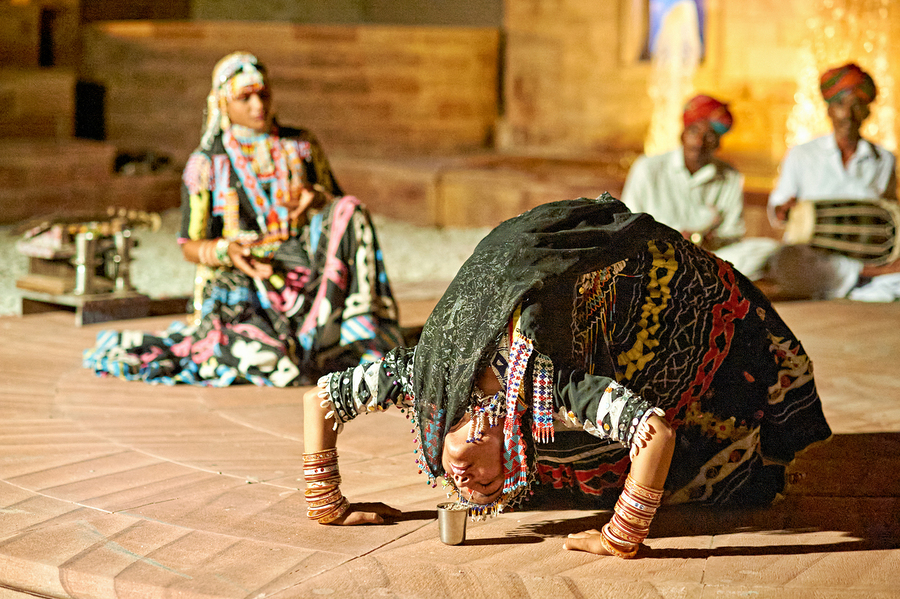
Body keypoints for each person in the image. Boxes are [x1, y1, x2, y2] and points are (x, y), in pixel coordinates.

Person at [301, 196, 832, 558]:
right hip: (601, 286)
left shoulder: (442, 381)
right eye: (488, 487)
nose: (466, 486)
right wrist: (624, 534)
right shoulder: (537, 388)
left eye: (470, 485)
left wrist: (328, 505)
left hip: (647, 275)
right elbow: (655, 433)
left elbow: (319, 400)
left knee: (702, 393)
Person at [84, 52, 404, 386]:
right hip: (243, 282)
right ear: (223, 102)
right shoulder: (206, 164)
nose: (257, 106)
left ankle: (360, 333)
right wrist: (227, 251)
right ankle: (292, 345)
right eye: (244, 97)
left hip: (307, 279)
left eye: (263, 95)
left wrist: (318, 200)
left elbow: (338, 213)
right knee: (264, 357)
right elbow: (188, 244)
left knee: (350, 209)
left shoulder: (301, 146)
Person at [767, 62, 900, 299]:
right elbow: (778, 206)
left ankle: (859, 281)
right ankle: (867, 279)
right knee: (784, 260)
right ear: (828, 109)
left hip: (863, 252)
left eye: (857, 105)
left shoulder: (884, 159)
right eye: (840, 105)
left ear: (868, 111)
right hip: (815, 257)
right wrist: (783, 210)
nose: (847, 114)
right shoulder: (802, 154)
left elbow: (888, 212)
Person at [621, 94, 777, 279]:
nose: (699, 142)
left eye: (709, 136)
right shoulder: (647, 168)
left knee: (767, 249)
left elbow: (733, 233)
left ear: (718, 143)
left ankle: (698, 278)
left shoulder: (730, 176)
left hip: (706, 258)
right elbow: (627, 224)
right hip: (656, 257)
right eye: (694, 132)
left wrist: (706, 240)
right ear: (683, 134)